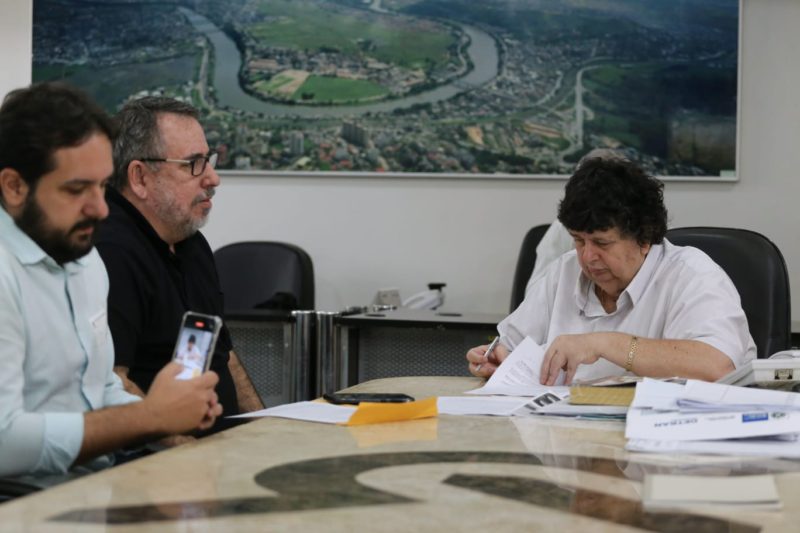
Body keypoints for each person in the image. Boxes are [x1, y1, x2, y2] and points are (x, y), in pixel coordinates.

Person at [0, 82, 222, 479]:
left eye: (102, 186)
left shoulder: (84, 259)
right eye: (76, 189)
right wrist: (151, 417)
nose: (101, 209)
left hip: (92, 487)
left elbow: (99, 390)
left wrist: (172, 409)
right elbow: (4, 441)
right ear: (14, 187)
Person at [467, 158, 755, 385]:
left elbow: (716, 367)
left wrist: (604, 343)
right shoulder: (564, 272)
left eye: (602, 243)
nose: (588, 257)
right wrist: (494, 359)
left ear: (644, 239)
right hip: (569, 439)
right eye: (579, 240)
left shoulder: (692, 275)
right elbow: (510, 348)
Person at [95, 96, 263, 436]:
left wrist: (265, 432)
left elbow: (222, 355)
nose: (213, 178)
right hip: (154, 466)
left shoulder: (189, 240)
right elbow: (111, 383)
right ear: (140, 177)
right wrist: (191, 458)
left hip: (218, 451)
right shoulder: (109, 252)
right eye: (193, 164)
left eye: (209, 160)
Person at [525, 149, 629, 294]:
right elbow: (536, 293)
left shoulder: (644, 225)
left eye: (602, 242)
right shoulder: (562, 228)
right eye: (579, 240)